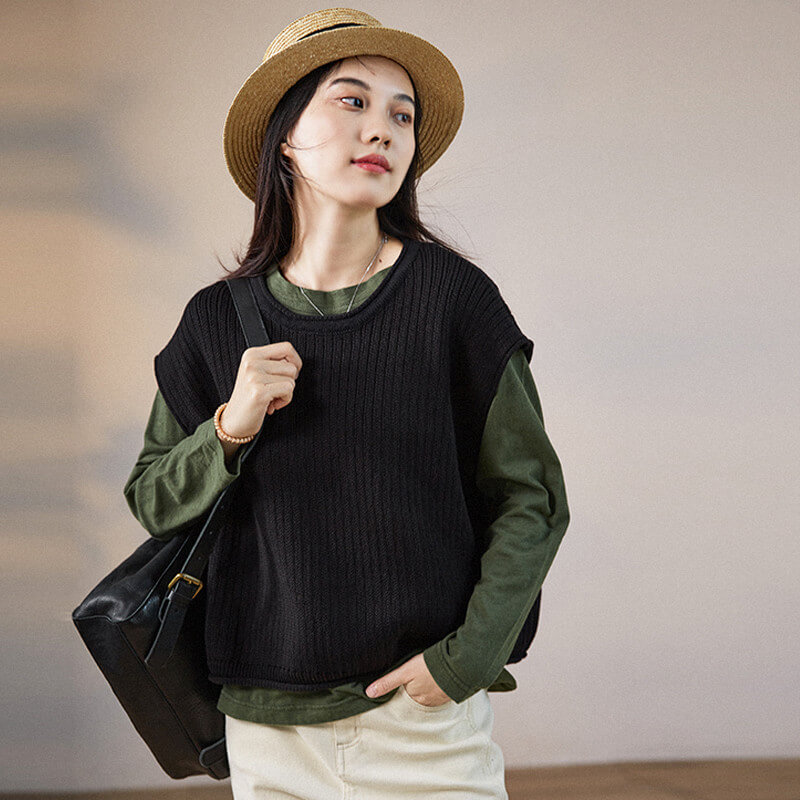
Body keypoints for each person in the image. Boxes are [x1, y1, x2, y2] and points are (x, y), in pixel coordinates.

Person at [123, 8, 570, 799]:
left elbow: (530, 499)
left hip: (420, 721)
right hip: (265, 729)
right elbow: (153, 500)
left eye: (403, 115)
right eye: (352, 101)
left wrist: (462, 661)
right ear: (285, 137)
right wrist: (230, 426)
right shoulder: (214, 322)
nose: (383, 130)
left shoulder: (454, 301)